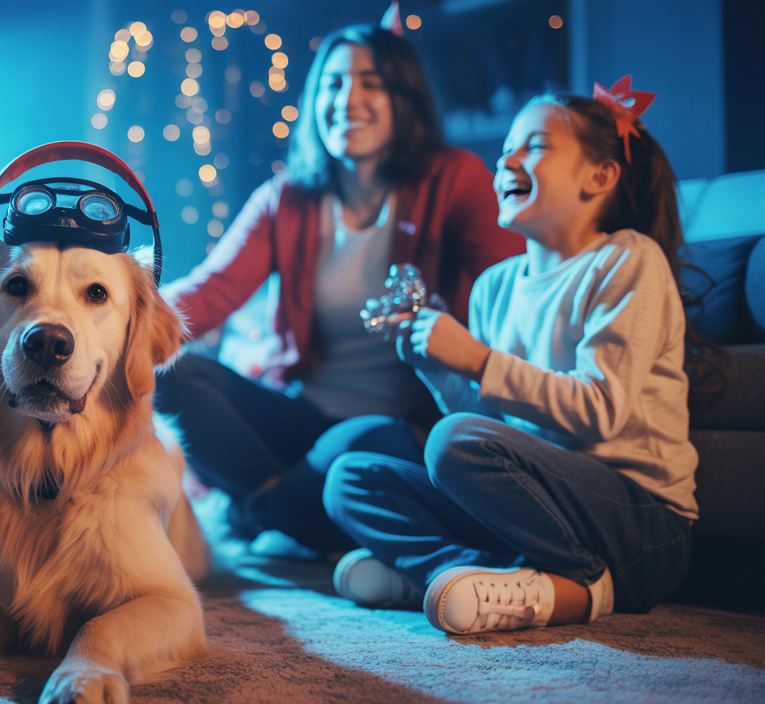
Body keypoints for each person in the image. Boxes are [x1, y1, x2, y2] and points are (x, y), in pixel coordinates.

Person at [323, 79, 723, 634]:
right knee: (351, 477)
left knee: (452, 442)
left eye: (533, 146)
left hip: (641, 527)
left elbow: (601, 411)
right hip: (530, 512)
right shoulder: (495, 285)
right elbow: (489, 426)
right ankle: (469, 573)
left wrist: (477, 359)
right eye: (506, 146)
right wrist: (438, 367)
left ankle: (582, 584)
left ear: (599, 177)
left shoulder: (628, 261)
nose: (505, 158)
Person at [157, 23, 523, 555]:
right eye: (332, 84)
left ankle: (260, 514)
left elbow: (507, 291)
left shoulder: (456, 178)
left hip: (400, 428)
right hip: (297, 421)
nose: (347, 99)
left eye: (370, 82)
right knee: (169, 372)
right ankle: (298, 510)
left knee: (361, 442)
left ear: (405, 97)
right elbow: (211, 291)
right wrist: (109, 318)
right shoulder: (285, 198)